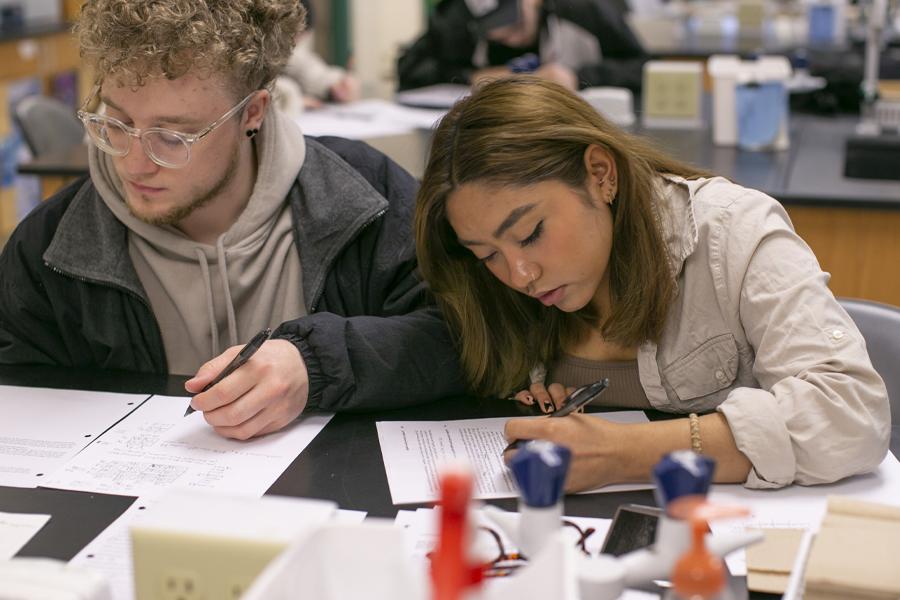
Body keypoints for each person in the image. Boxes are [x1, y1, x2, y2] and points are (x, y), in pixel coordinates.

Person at [0, 0, 464, 440]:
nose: (134, 165)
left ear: (253, 113)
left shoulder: (364, 197)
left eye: (172, 137)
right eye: (117, 123)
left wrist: (317, 364)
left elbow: (466, 334)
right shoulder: (51, 245)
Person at [414, 76, 890, 490]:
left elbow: (851, 415)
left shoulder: (732, 231)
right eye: (488, 254)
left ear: (600, 174)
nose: (520, 275)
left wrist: (627, 451)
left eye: (531, 234)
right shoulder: (484, 286)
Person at [397, 0, 648, 93]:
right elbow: (408, 69)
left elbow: (644, 69)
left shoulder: (584, 10)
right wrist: (471, 77)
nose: (513, 40)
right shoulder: (456, 18)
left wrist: (577, 77)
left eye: (516, 25)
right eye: (498, 33)